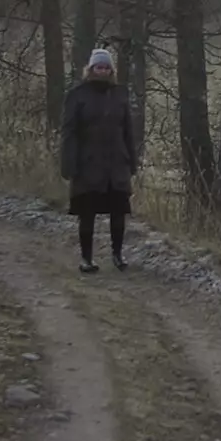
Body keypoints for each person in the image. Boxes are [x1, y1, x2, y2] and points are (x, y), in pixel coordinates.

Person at [60, 47, 137, 273]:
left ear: (111, 70)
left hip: (116, 163)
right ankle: (86, 258)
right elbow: (69, 132)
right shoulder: (77, 95)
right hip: (87, 163)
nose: (102, 71)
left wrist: (132, 160)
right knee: (87, 212)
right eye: (98, 67)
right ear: (90, 69)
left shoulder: (120, 94)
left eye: (106, 67)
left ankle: (117, 254)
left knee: (119, 210)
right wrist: (68, 164)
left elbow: (128, 131)